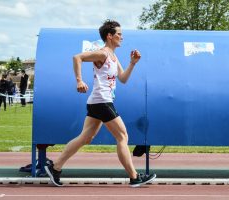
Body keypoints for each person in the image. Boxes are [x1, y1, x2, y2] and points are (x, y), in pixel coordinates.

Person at [45, 20, 156, 187]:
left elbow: (123, 79)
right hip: (102, 101)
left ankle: (55, 167)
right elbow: (77, 57)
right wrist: (79, 81)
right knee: (122, 136)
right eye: (119, 34)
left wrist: (132, 63)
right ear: (109, 36)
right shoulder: (102, 53)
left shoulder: (113, 56)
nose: (122, 37)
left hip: (98, 102)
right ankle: (134, 177)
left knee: (86, 137)